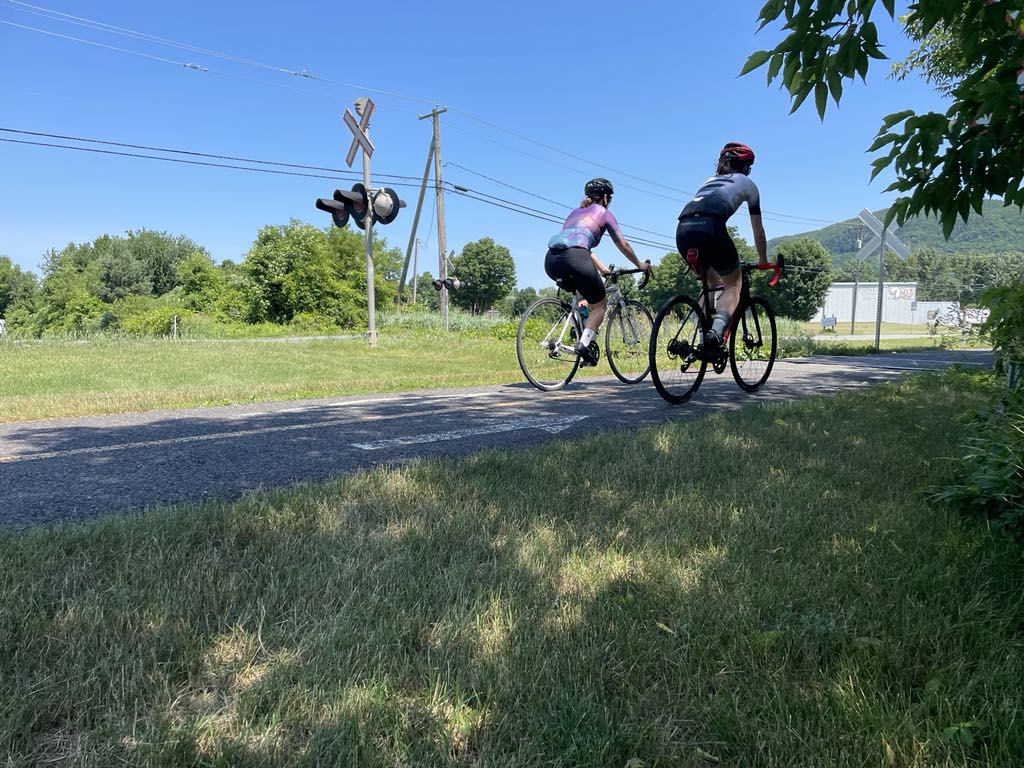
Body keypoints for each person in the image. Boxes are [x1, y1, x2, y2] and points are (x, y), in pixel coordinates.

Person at [676, 142, 768, 355]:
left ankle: (700, 340)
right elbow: (758, 231)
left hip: (683, 229)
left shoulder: (709, 181)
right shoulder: (748, 184)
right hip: (711, 228)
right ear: (746, 167)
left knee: (709, 282)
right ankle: (715, 334)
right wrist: (762, 259)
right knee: (733, 285)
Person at [545, 178, 650, 365]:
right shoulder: (604, 213)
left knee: (583, 295)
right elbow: (623, 245)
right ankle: (584, 344)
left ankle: (579, 331)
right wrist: (640, 264)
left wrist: (602, 270)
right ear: (605, 198)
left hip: (552, 259)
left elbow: (576, 245)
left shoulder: (574, 212)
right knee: (600, 305)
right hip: (576, 258)